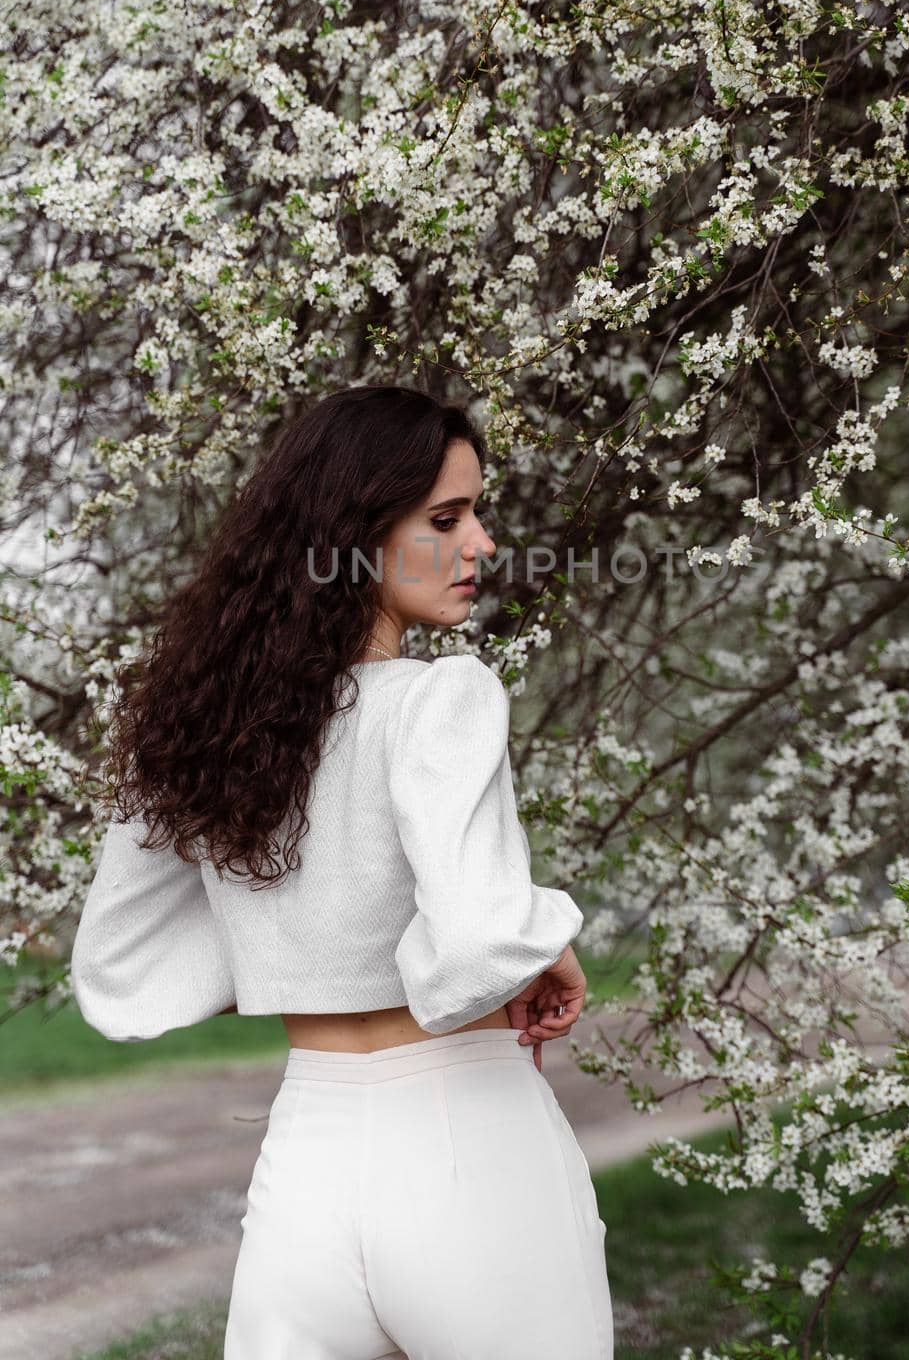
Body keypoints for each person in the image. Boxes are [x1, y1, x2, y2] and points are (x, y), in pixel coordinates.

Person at [69, 383, 614, 1360]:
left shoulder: (201, 732)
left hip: (308, 1161)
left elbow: (116, 963)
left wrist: (289, 953)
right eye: (445, 518)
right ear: (354, 532)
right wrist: (543, 942)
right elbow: (482, 942)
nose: (481, 543)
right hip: (468, 1147)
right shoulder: (437, 700)